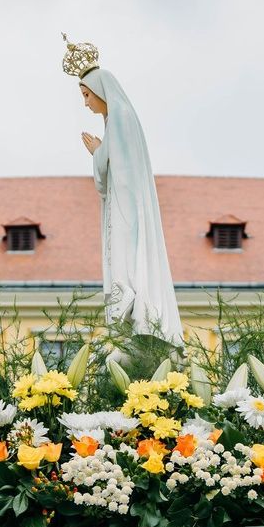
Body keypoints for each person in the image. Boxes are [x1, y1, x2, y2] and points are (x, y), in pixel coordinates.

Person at [65, 35, 182, 344]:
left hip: (126, 211)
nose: (85, 102)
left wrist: (98, 154)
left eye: (86, 95)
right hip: (125, 207)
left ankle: (135, 313)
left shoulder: (120, 118)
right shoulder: (120, 118)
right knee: (126, 266)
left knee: (129, 266)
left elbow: (114, 174)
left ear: (100, 90)